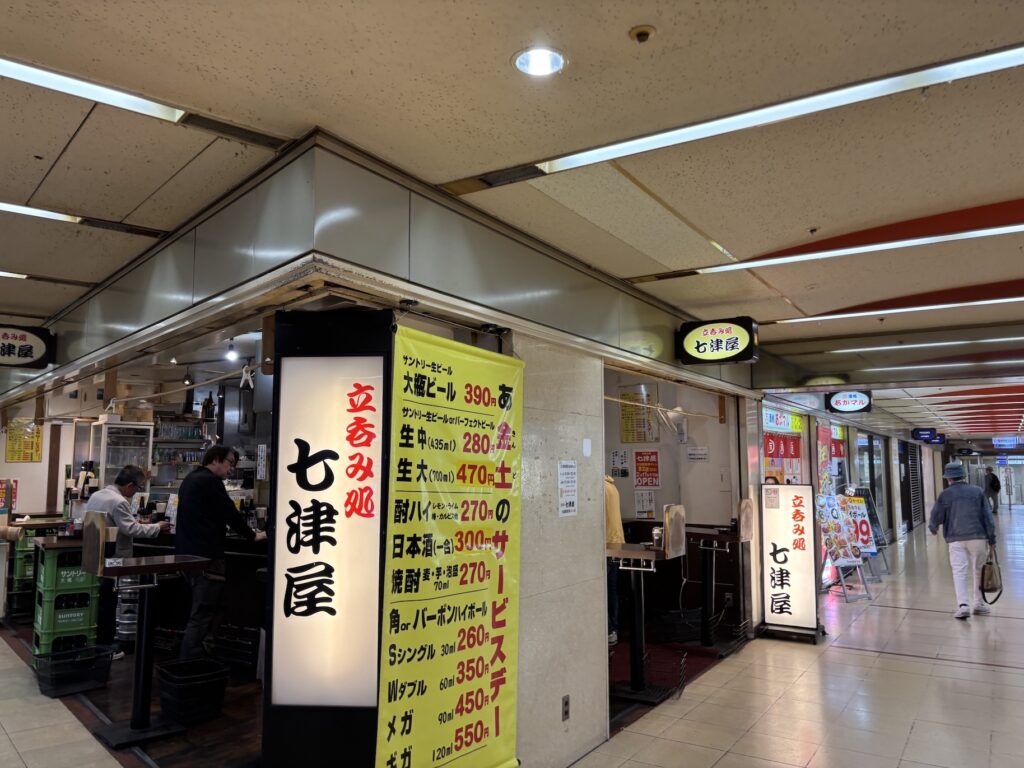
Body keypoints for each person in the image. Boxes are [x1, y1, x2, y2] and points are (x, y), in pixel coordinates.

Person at [175, 446, 266, 659]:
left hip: (186, 555)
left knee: (202, 611)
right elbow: (229, 513)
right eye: (230, 463)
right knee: (203, 614)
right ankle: (188, 665)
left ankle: (197, 659)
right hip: (206, 557)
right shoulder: (210, 481)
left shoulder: (191, 479)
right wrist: (252, 535)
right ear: (216, 459)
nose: (231, 469)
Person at [85, 465, 170, 657]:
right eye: (137, 488)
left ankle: (97, 644)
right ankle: (106, 649)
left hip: (95, 556)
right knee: (108, 604)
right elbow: (131, 529)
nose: (136, 492)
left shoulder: (97, 495)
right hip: (113, 558)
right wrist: (157, 527)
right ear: (130, 485)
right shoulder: (118, 501)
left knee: (101, 602)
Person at [928, 461, 996, 619]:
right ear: (963, 476)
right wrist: (992, 539)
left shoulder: (945, 494)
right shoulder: (977, 491)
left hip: (955, 538)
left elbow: (937, 514)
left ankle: (963, 605)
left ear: (948, 479)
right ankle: (978, 604)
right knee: (979, 570)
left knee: (959, 571)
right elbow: (988, 517)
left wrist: (933, 527)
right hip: (978, 537)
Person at [604, 476, 624, 646]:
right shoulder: (612, 487)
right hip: (616, 543)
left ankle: (609, 630)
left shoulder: (599, 489)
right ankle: (613, 630)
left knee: (604, 591)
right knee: (612, 590)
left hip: (605, 544)